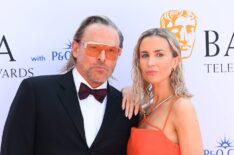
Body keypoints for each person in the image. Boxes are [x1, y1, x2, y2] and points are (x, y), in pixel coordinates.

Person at [0, 15, 138, 155]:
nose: (102, 58)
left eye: (111, 51)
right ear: (75, 48)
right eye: (94, 48)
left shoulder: (127, 107)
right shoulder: (36, 91)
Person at [122, 28, 203, 155]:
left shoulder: (181, 107)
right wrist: (126, 90)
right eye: (145, 55)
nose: (150, 62)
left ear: (175, 61)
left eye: (159, 54)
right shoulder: (143, 109)